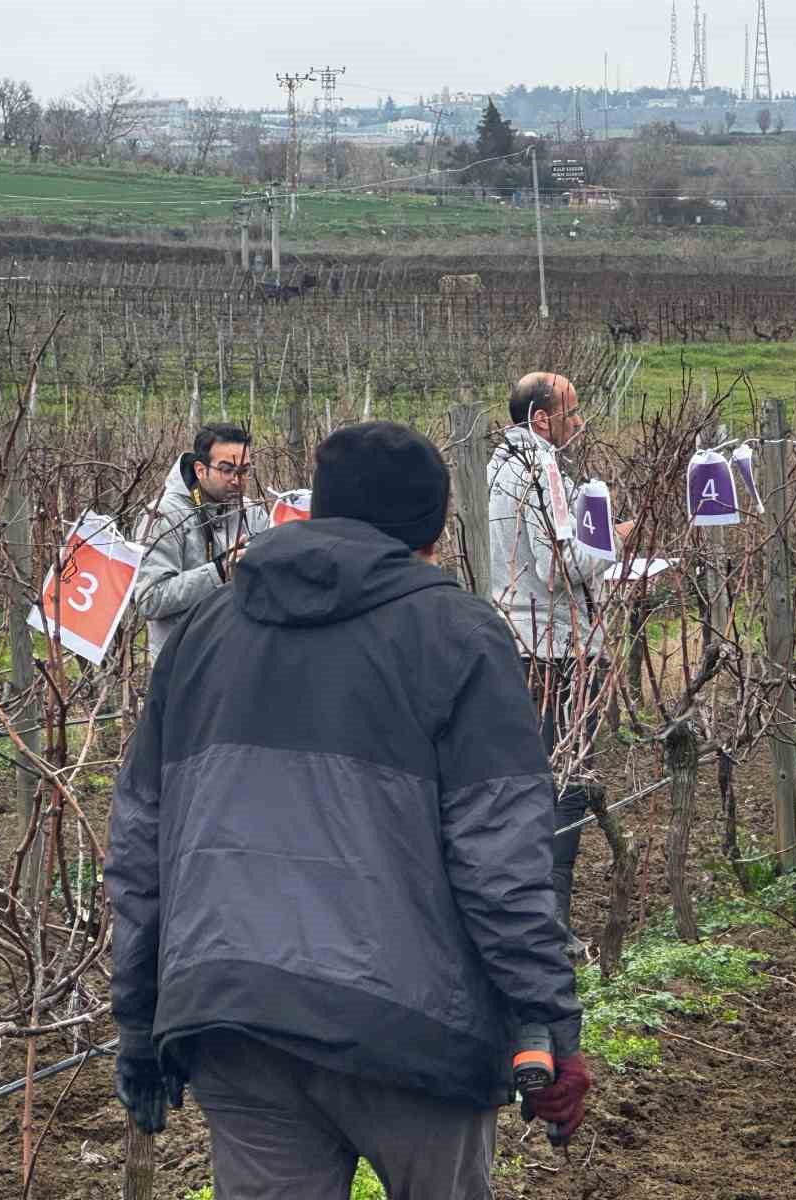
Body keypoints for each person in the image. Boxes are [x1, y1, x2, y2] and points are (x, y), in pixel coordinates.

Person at [107, 422, 589, 1200]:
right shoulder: (459, 635)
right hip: (417, 1029)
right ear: (433, 532)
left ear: (318, 510)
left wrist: (137, 1019)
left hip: (236, 1020)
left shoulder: (202, 634)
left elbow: (140, 843)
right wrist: (547, 1022)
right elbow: (500, 859)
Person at [489, 372, 632, 956]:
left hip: (521, 639)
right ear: (542, 419)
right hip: (556, 647)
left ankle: (532, 917)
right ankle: (552, 924)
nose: (579, 422)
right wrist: (617, 539)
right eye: (571, 412)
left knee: (535, 784)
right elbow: (558, 568)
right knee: (567, 783)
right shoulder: (539, 466)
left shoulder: (499, 463)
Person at [134, 422, 269, 664]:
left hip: (240, 658)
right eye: (227, 470)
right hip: (182, 663)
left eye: (245, 470)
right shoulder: (162, 516)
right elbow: (149, 599)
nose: (237, 480)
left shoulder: (252, 513)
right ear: (200, 469)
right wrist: (218, 571)